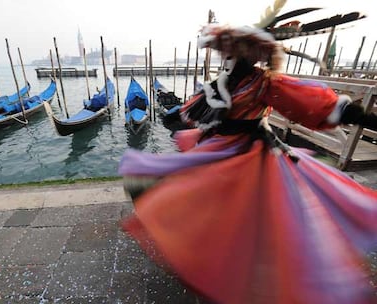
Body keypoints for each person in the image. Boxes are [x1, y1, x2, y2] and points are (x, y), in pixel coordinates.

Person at [118, 5, 377, 304]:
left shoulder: (266, 82)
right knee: (191, 198)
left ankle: (253, 271)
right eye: (230, 50)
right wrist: (183, 119)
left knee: (261, 211)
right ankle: (213, 255)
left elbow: (312, 103)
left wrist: (362, 117)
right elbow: (199, 110)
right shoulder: (223, 80)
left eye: (240, 50)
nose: (232, 56)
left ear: (256, 53)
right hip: (217, 147)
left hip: (252, 152)